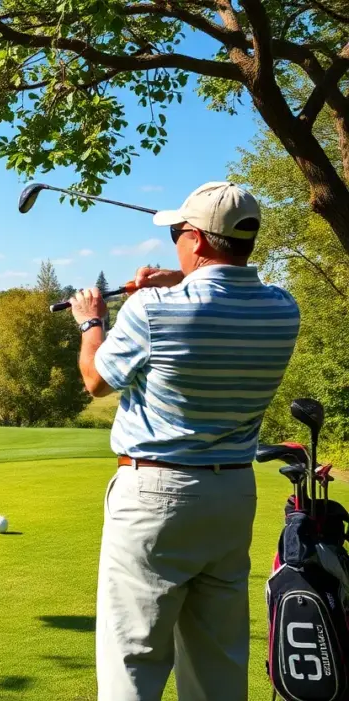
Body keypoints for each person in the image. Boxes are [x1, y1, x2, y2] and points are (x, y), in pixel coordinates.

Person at [67, 182, 300, 701]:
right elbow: (227, 291)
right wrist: (180, 280)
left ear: (195, 239)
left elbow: (96, 381)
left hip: (155, 496)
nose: (175, 242)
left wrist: (91, 321)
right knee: (217, 660)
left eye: (178, 234)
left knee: (134, 658)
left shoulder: (152, 310)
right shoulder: (283, 310)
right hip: (233, 497)